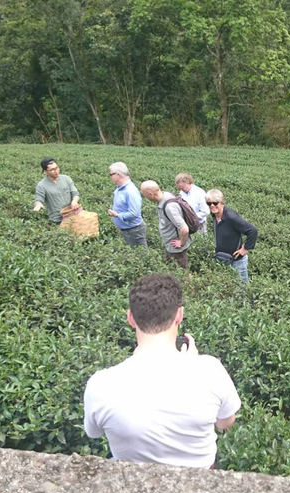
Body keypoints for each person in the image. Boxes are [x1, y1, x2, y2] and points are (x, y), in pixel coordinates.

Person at [83, 273, 241, 468]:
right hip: (201, 480)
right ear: (179, 315)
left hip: (131, 483)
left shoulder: (100, 385)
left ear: (130, 318)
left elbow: (93, 432)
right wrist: (195, 365)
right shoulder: (210, 370)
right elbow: (225, 423)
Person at [206, 189, 257, 283]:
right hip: (223, 258)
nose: (212, 206)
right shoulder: (214, 215)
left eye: (215, 203)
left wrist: (245, 249)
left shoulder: (231, 217)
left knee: (242, 287)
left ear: (222, 202)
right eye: (209, 203)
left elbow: (252, 231)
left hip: (236, 260)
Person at [140, 180, 191, 270]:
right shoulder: (165, 195)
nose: (145, 197)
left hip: (176, 248)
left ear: (151, 194)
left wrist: (181, 243)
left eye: (145, 195)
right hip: (171, 246)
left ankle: (189, 283)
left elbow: (184, 229)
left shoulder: (169, 207)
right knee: (172, 268)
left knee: (183, 271)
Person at [107, 162, 147, 248]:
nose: (110, 177)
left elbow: (134, 213)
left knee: (141, 254)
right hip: (126, 229)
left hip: (134, 230)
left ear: (119, 175)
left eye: (111, 174)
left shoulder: (130, 191)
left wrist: (117, 215)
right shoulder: (119, 188)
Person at [33, 157, 80, 224]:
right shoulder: (41, 185)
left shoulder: (66, 179)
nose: (56, 171)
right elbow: (38, 200)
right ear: (45, 171)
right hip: (57, 220)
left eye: (57, 168)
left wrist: (74, 201)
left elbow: (75, 193)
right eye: (52, 169)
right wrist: (38, 204)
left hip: (73, 215)